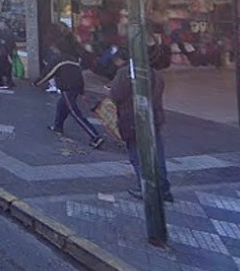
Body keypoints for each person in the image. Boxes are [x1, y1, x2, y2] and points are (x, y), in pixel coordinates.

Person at [110, 47, 172, 202]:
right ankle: (163, 189)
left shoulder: (124, 73)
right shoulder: (156, 74)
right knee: (158, 154)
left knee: (137, 156)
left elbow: (116, 95)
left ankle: (145, 188)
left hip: (133, 120)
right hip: (154, 118)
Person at [34, 45, 103, 148]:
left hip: (67, 87)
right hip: (76, 86)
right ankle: (58, 126)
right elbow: (79, 74)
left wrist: (37, 83)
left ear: (57, 49)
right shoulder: (72, 59)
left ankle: (95, 136)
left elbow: (49, 73)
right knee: (61, 105)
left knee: (75, 113)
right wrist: (81, 90)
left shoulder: (58, 59)